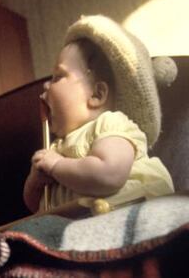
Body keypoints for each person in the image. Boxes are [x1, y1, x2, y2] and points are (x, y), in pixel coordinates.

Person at [23, 15, 174, 213]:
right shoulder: (56, 149)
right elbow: (36, 207)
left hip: (129, 213)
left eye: (57, 77)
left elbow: (109, 174)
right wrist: (34, 182)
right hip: (74, 226)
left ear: (97, 94)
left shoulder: (111, 125)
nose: (45, 86)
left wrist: (56, 166)